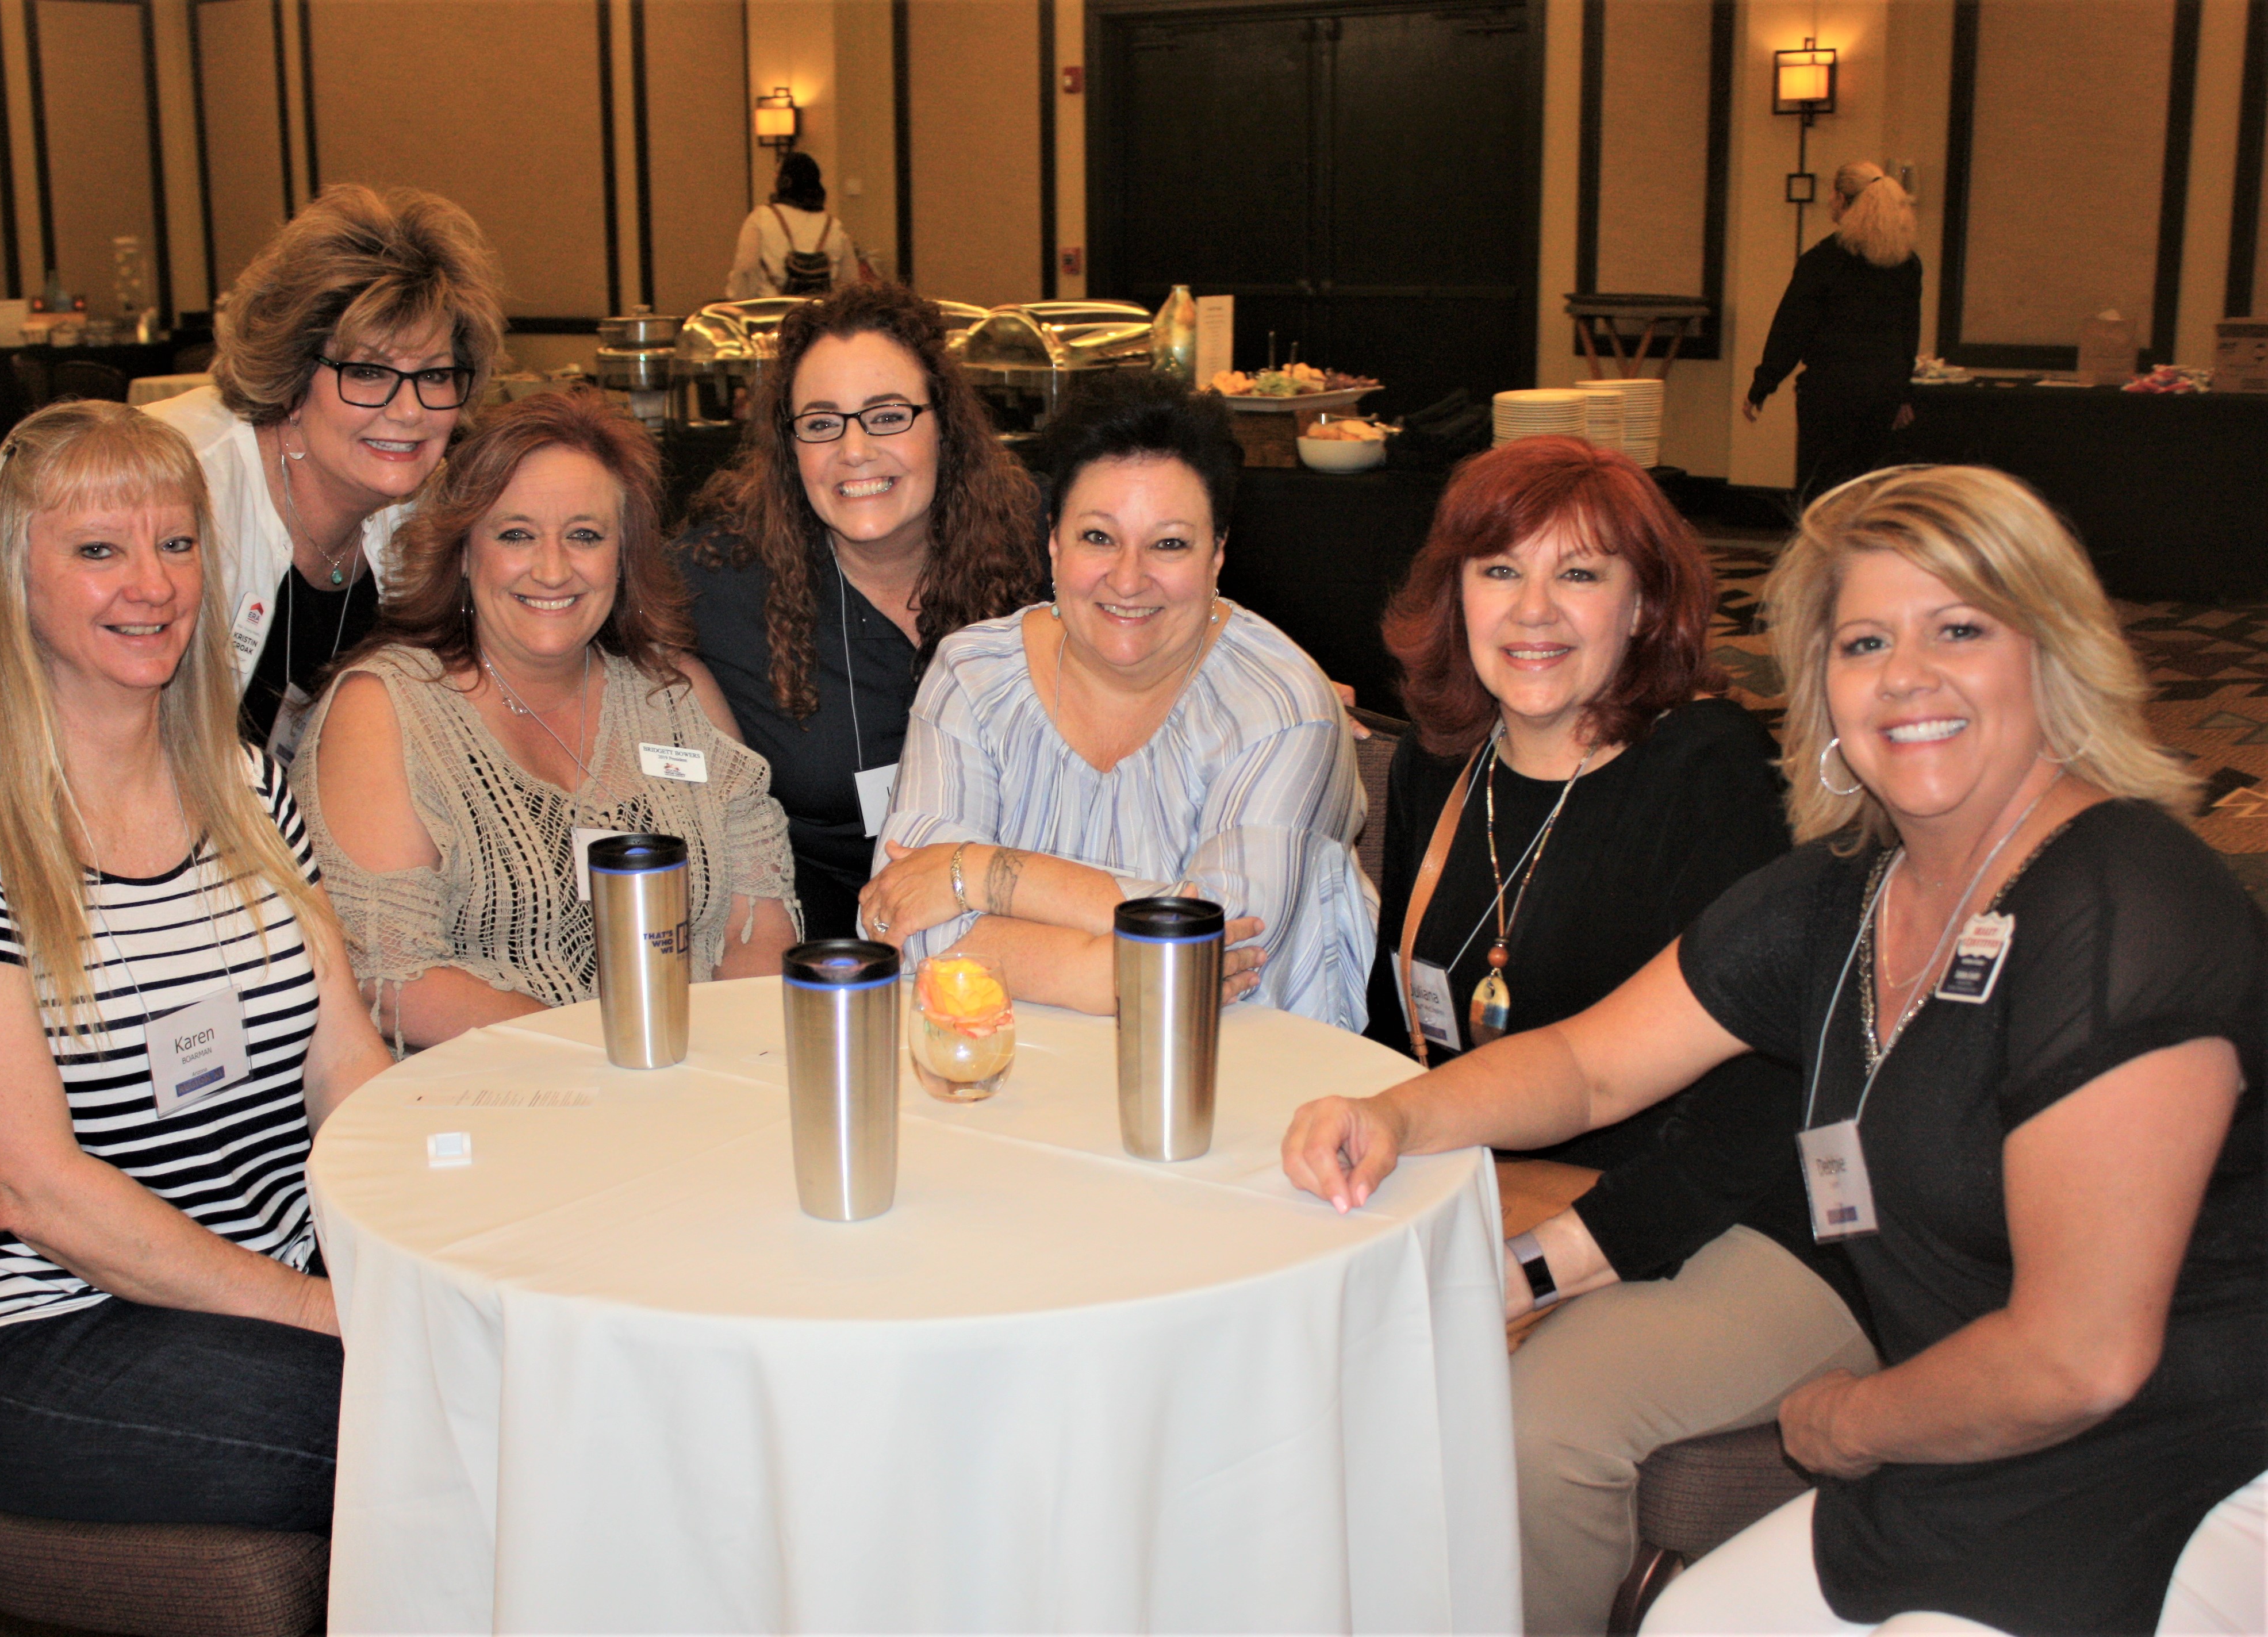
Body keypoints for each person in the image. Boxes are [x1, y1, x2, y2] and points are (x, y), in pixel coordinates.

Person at [1284, 465, 2264, 1636]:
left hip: (2182, 1467)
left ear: (2052, 655)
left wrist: (1846, 1421)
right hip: (1977, 1460)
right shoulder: (1849, 889)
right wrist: (1399, 1115)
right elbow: (1591, 1065)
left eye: (1958, 629)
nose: (1906, 675)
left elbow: (2079, 1360)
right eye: (1863, 642)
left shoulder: (2124, 903)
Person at [0, 401, 390, 1531]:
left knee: (514, 1363)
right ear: (13, 582)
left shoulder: (245, 788)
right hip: (16, 1333)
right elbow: (30, 1190)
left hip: (255, 1283)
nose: (152, 582)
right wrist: (320, 1312)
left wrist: (441, 1235)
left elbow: (345, 1068)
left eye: (177, 542)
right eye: (99, 549)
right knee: (426, 1424)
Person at [1362, 434, 1871, 1634]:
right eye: (1499, 570)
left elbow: (1760, 1106)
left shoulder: (1706, 772)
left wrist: (1543, 1265)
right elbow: (1402, 1035)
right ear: (1454, 594)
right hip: (1519, 1185)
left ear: (1643, 607)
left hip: (1752, 1210)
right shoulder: (1444, 769)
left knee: (1531, 1431)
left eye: (1580, 574)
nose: (1533, 610)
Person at [0, 183, 508, 910]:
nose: (409, 409)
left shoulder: (412, 509)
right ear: (293, 377)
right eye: (367, 372)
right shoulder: (176, 483)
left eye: (436, 376)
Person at [293, 388, 799, 1053]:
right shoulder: (385, 710)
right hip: (487, 1095)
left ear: (624, 554)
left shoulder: (676, 695)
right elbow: (394, 977)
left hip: (696, 1073)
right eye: (517, 535)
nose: (554, 569)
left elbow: (758, 923)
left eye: (585, 535)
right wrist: (610, 1056)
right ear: (463, 551)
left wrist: (725, 1063)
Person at [858, 371, 1370, 1026]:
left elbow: (1231, 944)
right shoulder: (974, 675)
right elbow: (898, 920)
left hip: (1233, 1073)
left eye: (1169, 544)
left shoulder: (1280, 706)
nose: (1128, 579)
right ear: (1054, 540)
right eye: (1098, 537)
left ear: (1217, 555)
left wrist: (980, 874)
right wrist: (1095, 973)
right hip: (1001, 1071)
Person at [676, 283, 1045, 939]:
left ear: (945, 425)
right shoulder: (720, 583)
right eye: (822, 424)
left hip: (1024, 932)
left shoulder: (1041, 549)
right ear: (791, 447)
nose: (854, 450)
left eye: (888, 415)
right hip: (820, 958)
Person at [1744, 162, 1924, 499]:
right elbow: (1907, 335)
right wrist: (1902, 393)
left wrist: (1764, 383)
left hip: (1830, 390)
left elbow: (1792, 328)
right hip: (1883, 391)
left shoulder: (1822, 260)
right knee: (1868, 485)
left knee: (1823, 485)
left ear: (1841, 200)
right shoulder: (1907, 263)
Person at [726, 152, 859, 298]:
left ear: (784, 182)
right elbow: (851, 281)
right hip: (819, 309)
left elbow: (746, 268)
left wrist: (738, 300)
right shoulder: (833, 226)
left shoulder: (761, 219)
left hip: (772, 307)